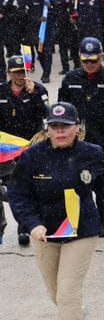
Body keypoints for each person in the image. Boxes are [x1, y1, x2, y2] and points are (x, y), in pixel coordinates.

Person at [8, 102, 104, 320]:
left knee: (67, 296)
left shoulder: (92, 153)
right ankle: (77, 313)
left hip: (81, 231)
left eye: (65, 126)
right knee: (59, 296)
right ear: (48, 128)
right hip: (45, 233)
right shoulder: (32, 157)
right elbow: (19, 195)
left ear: (76, 127)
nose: (60, 132)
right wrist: (32, 224)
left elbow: (103, 185)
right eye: (55, 127)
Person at [58, 38, 104, 205]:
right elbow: (62, 108)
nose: (89, 64)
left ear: (101, 57)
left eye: (93, 60)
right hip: (79, 138)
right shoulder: (70, 78)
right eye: (85, 60)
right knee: (79, 180)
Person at [0, 54, 48, 245]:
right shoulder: (2, 92)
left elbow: (47, 113)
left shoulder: (38, 90)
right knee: (9, 189)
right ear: (9, 73)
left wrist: (35, 92)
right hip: (6, 148)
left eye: (23, 72)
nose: (20, 76)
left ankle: (23, 228)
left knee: (25, 188)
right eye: (16, 72)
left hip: (28, 147)